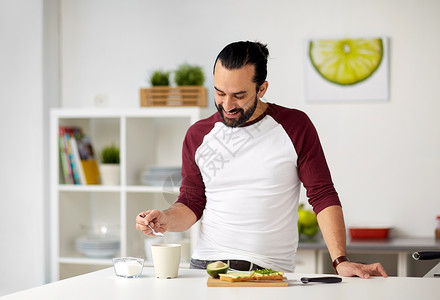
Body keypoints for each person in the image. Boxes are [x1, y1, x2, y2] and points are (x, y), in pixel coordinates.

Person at [136, 41, 388, 278]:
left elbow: (322, 194)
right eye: (220, 93)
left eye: (239, 95)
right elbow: (191, 202)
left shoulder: (295, 126)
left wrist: (340, 260)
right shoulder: (198, 135)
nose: (227, 105)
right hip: (206, 269)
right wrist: (166, 218)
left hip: (268, 273)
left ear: (262, 88)